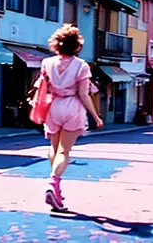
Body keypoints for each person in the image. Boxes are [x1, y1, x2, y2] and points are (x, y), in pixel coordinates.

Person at [37, 24, 104, 211]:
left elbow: (44, 88)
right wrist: (96, 116)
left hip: (54, 106)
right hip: (72, 106)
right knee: (64, 151)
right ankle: (53, 183)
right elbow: (84, 94)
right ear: (77, 46)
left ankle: (56, 193)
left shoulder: (46, 63)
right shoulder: (81, 66)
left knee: (54, 147)